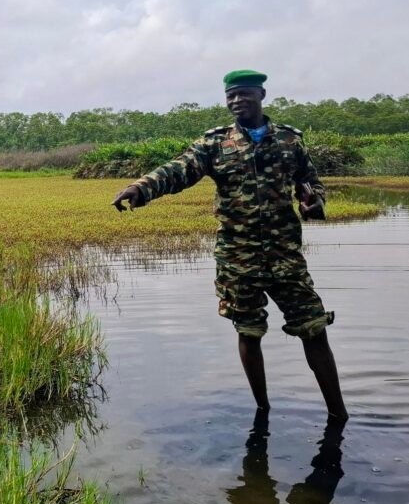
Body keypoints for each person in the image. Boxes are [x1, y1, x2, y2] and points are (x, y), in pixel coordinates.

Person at [112, 70, 348, 419]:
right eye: (231, 96)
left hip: (285, 254)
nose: (237, 101)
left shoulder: (288, 141)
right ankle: (263, 410)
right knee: (249, 331)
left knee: (313, 327)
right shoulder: (215, 144)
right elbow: (178, 169)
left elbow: (309, 180)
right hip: (238, 255)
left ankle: (339, 414)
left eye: (244, 94)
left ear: (261, 94)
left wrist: (315, 202)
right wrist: (141, 188)